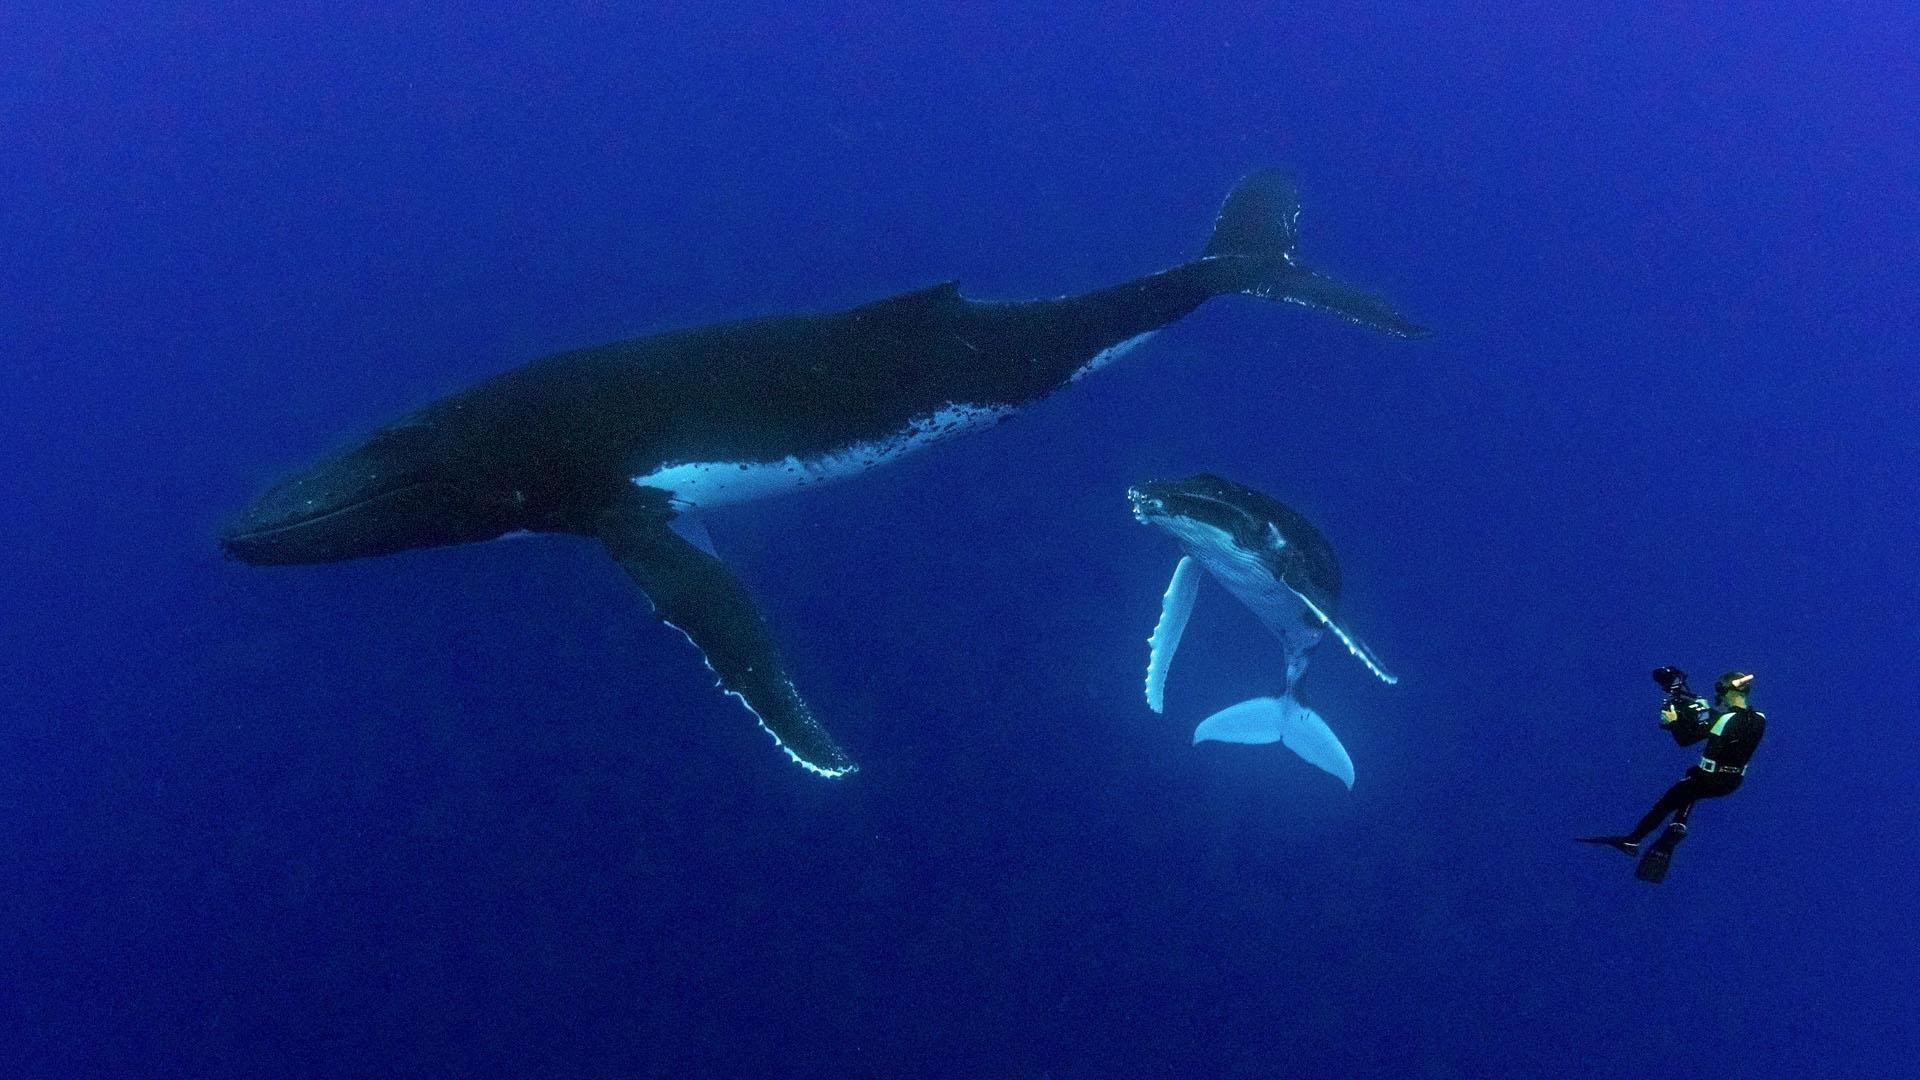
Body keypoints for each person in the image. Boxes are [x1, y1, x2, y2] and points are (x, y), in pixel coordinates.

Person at [1579, 669, 1766, 876]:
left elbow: (1684, 740)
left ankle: (1631, 841)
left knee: (1666, 803)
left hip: (1709, 779)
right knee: (1691, 779)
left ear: (1724, 690)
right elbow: (1729, 725)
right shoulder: (1759, 718)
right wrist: (1702, 711)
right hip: (1732, 782)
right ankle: (1678, 823)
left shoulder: (1724, 720)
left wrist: (1674, 721)